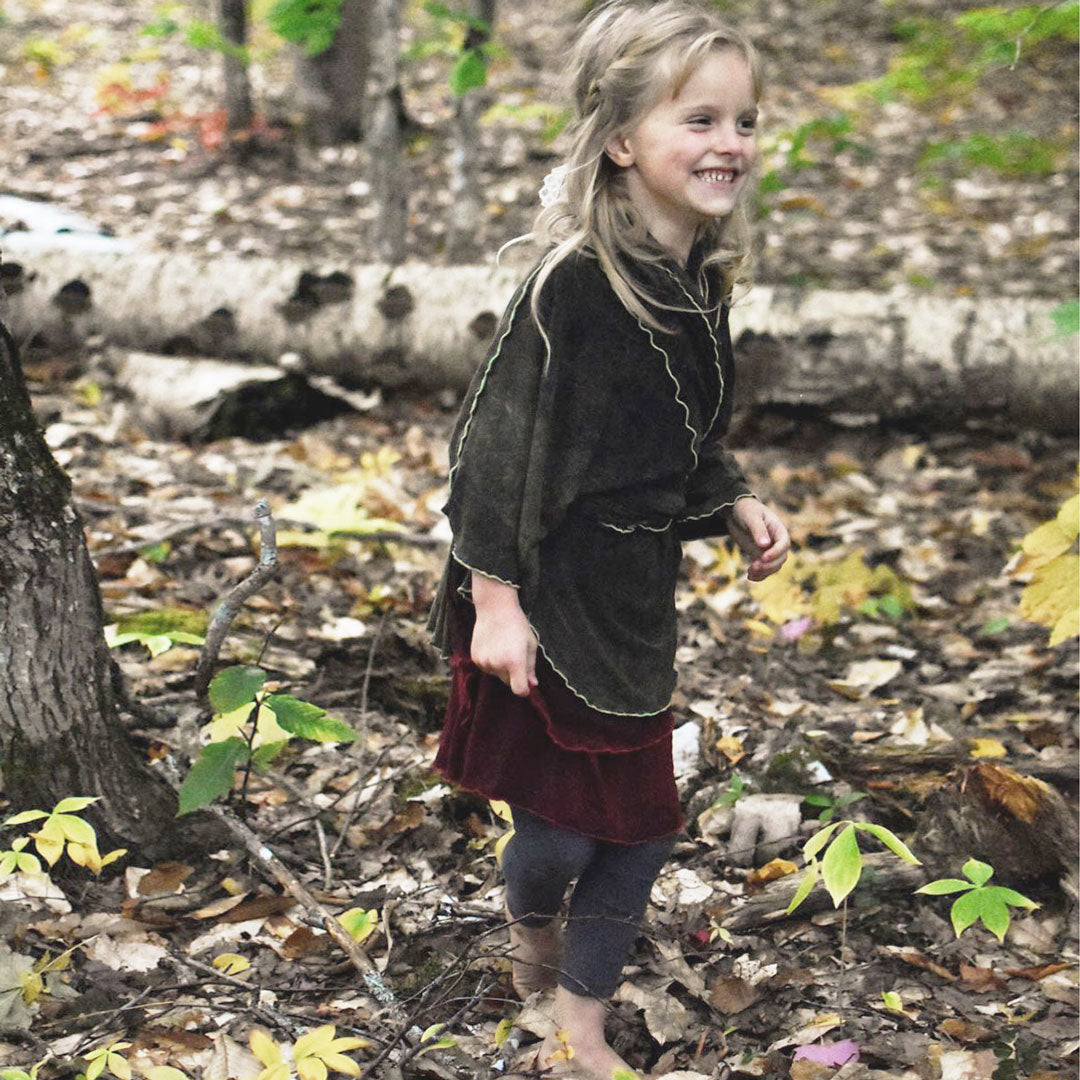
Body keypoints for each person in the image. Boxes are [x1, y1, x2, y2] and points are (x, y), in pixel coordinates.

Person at [428, 2, 790, 1076]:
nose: (730, 143)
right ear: (623, 140)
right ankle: (532, 926)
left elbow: (679, 438)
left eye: (744, 121)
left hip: (632, 603)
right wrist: (496, 605)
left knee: (639, 826)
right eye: (699, 120)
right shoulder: (575, 288)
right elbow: (490, 456)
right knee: (558, 832)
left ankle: (575, 1025)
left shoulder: (700, 284)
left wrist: (731, 499)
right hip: (541, 596)